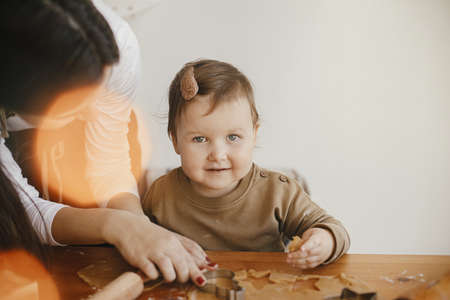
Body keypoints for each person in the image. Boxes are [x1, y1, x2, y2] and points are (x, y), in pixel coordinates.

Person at [0, 0, 209, 288]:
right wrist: (114, 226)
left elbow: (108, 163)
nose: (90, 114)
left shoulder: (117, 46)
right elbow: (24, 210)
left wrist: (137, 225)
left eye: (98, 92)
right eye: (75, 106)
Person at [142, 59, 351, 269]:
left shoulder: (278, 192)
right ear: (175, 140)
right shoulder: (161, 194)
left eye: (232, 137)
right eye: (200, 139)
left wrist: (324, 242)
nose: (218, 154)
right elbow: (138, 243)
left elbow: (335, 229)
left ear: (254, 136)